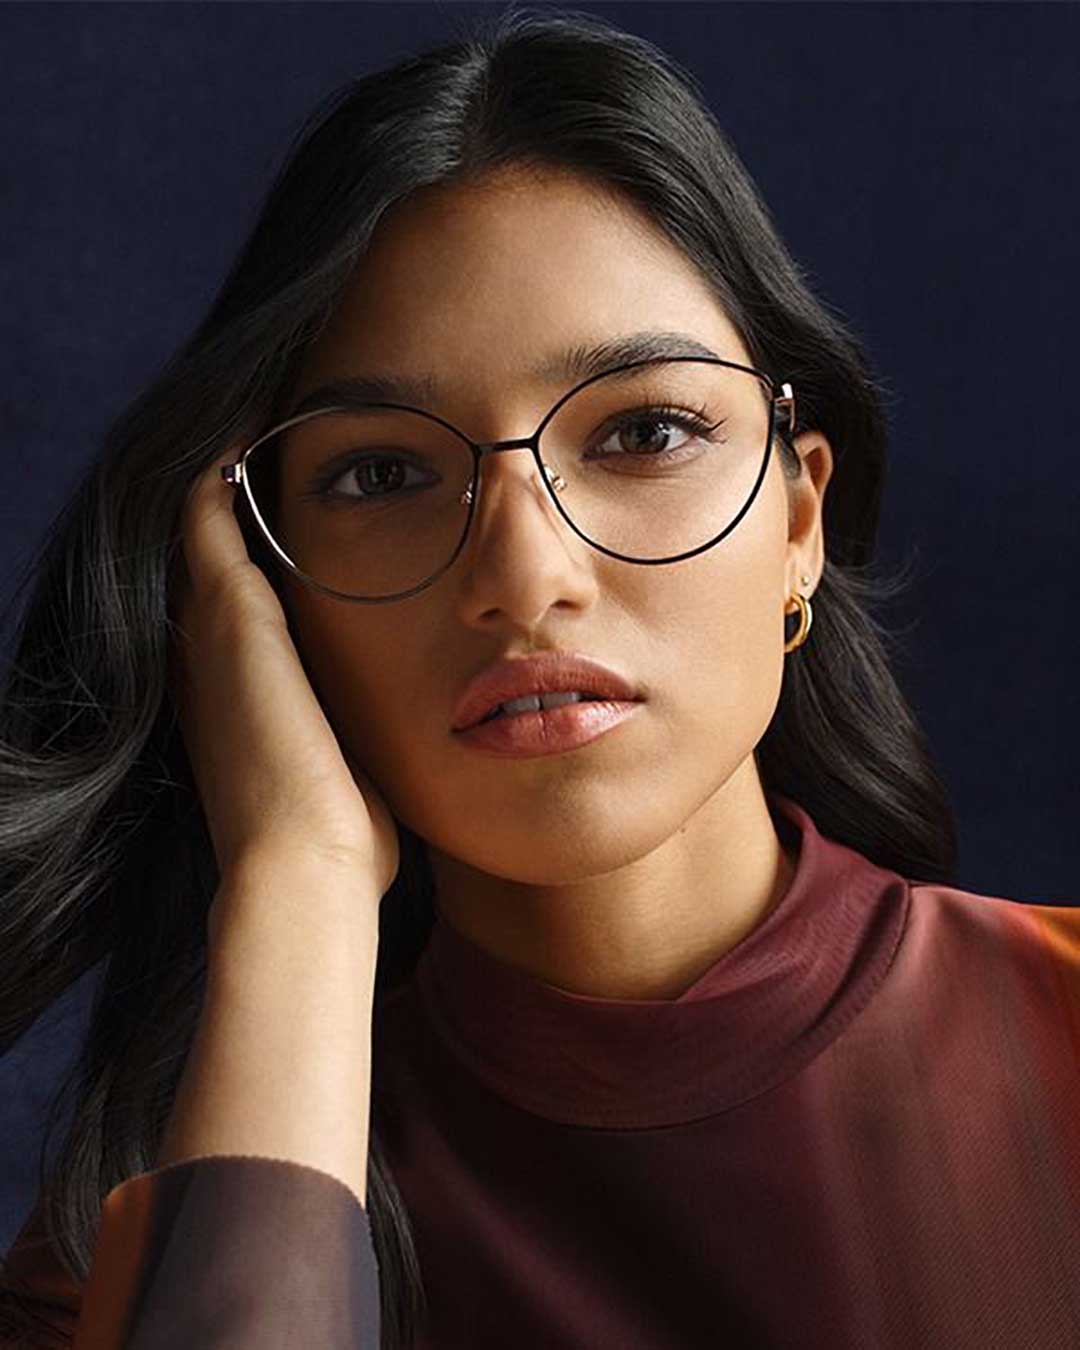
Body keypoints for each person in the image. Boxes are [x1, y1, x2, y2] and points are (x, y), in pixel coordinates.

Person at [2, 6, 1078, 1348]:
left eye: (644, 430)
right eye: (383, 472)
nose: (524, 574)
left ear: (800, 524)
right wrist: (301, 880)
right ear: (266, 596)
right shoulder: (150, 1254)